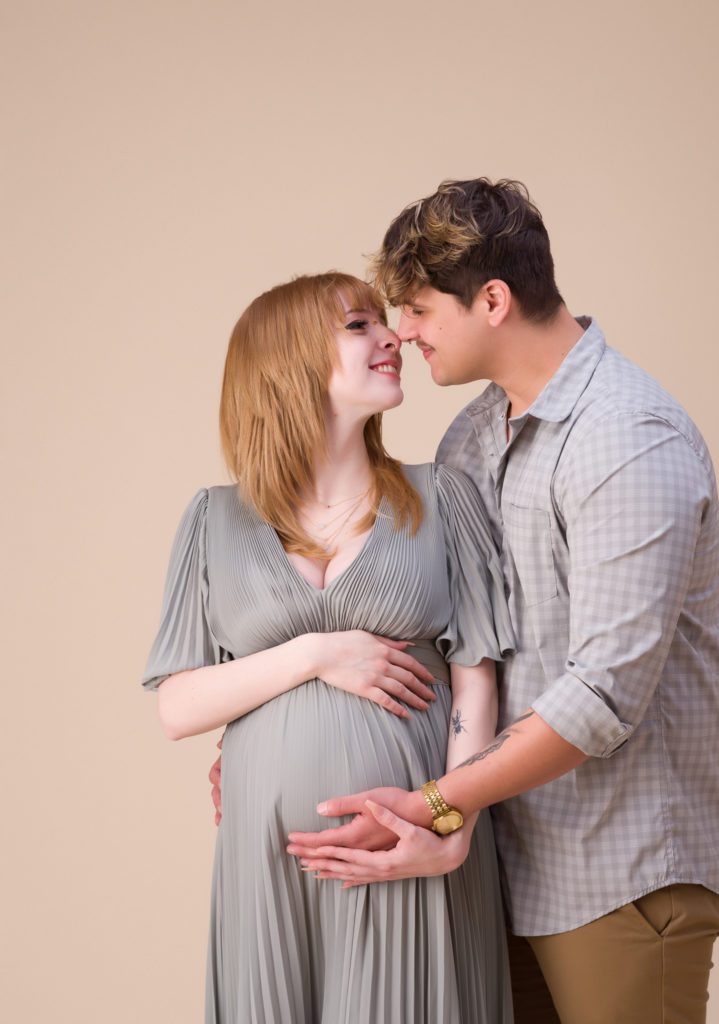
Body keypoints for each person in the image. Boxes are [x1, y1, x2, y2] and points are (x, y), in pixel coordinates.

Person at [281, 181, 719, 1024]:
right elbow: (453, 644)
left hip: (620, 869)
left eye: (417, 309)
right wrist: (282, 740)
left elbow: (601, 698)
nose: (403, 332)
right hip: (495, 859)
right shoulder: (472, 436)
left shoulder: (626, 438)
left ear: (491, 299)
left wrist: (437, 801)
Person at [142, 272, 515, 1022]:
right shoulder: (213, 521)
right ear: (287, 362)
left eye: (385, 321)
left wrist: (447, 827)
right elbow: (177, 707)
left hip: (406, 850)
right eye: (358, 325)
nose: (392, 337)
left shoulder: (442, 497)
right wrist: (314, 652)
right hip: (267, 867)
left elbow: (476, 685)